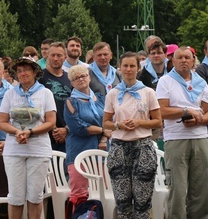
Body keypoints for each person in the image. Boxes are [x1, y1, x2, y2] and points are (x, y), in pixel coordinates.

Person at [157, 47, 208, 219]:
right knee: (178, 188)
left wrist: (199, 119)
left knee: (200, 187)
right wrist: (185, 111)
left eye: (187, 58)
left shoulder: (201, 82)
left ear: (193, 61)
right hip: (176, 139)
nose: (183, 60)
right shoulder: (165, 81)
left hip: (200, 137)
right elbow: (161, 111)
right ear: (173, 61)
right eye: (179, 57)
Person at [103, 52, 162, 219]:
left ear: (138, 68)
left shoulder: (148, 92)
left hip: (142, 146)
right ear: (120, 68)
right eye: (125, 66)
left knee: (142, 201)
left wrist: (140, 123)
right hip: (119, 147)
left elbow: (157, 121)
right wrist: (118, 125)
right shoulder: (113, 93)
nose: (128, 69)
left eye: (132, 66)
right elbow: (106, 123)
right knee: (123, 203)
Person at [0, 56, 56, 219]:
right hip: (14, 150)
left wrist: (30, 132)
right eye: (20, 71)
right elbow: (2, 122)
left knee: (35, 197)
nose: (23, 73)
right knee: (15, 197)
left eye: (26, 70)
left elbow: (51, 122)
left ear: (34, 72)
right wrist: (17, 132)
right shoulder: (10, 94)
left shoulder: (45, 93)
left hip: (38, 150)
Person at [64, 64, 108, 207]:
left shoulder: (101, 98)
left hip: (102, 150)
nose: (81, 79)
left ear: (89, 78)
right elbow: (78, 127)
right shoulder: (71, 102)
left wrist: (104, 137)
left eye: (83, 75)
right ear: (72, 83)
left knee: (105, 192)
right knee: (80, 194)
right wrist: (102, 130)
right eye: (76, 78)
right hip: (79, 151)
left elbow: (110, 121)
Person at [39, 42, 72, 153]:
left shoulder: (70, 79)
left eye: (59, 55)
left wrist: (66, 129)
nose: (55, 58)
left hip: (67, 134)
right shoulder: (39, 78)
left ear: (65, 57)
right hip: (45, 135)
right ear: (47, 56)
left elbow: (76, 107)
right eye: (52, 55)